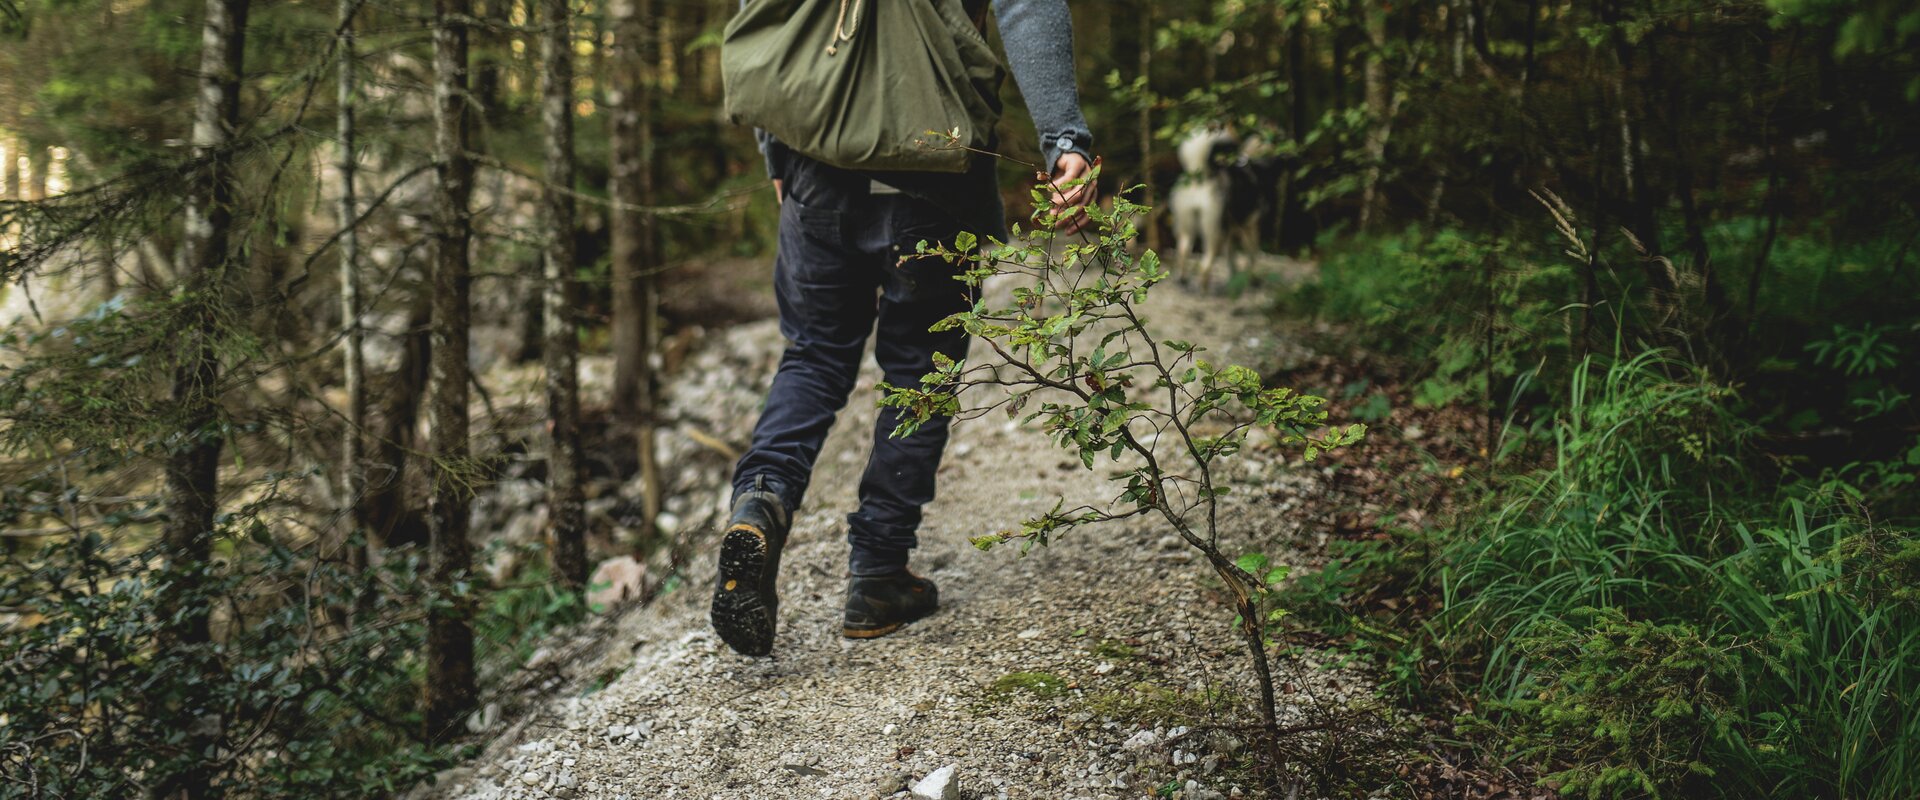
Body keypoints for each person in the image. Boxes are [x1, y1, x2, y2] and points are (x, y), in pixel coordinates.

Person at [709, 0, 1099, 657]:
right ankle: (878, 575)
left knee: (813, 356)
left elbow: (775, 20)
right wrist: (1065, 137)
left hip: (819, 161)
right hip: (934, 164)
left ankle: (761, 502)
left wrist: (776, 146)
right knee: (919, 372)